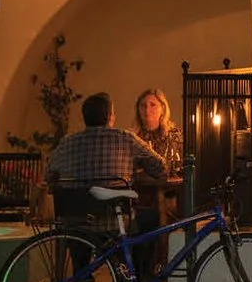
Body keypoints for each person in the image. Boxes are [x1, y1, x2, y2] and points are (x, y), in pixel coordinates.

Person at [45, 92, 167, 222]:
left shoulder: (66, 142)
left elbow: (48, 176)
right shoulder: (126, 138)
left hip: (74, 226)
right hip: (114, 223)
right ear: (110, 117)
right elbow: (161, 168)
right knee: (153, 217)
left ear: (84, 118)